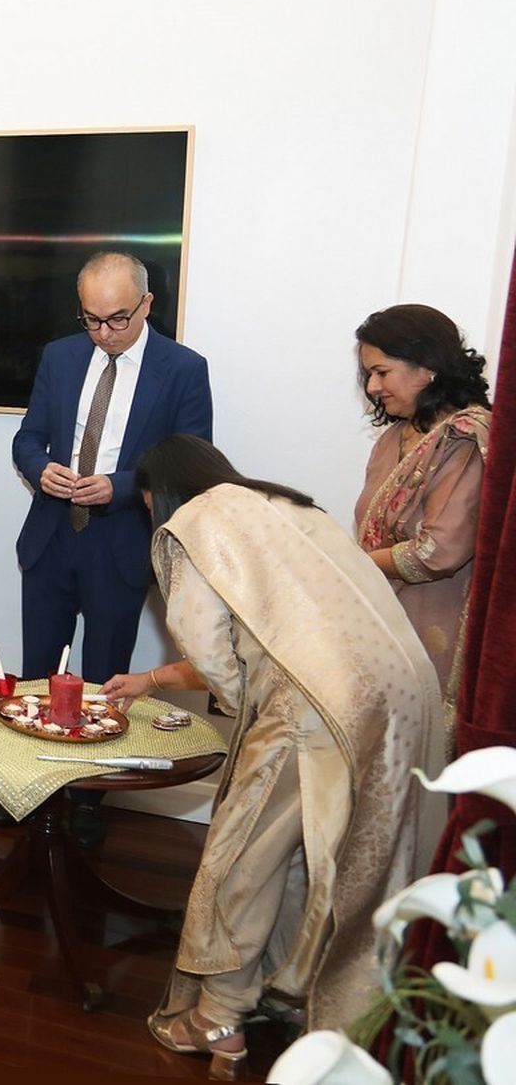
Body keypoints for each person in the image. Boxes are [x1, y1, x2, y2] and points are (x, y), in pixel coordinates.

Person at [99, 435, 435, 1075]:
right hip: (405, 690)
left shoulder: (192, 522)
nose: (152, 517)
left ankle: (218, 1017)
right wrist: (158, 681)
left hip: (311, 705)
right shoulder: (290, 506)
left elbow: (213, 650)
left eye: (148, 506)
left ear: (161, 493)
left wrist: (240, 706)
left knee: (243, 851)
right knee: (341, 854)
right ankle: (302, 992)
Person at [8, 250, 213, 845]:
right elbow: (28, 436)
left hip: (120, 545)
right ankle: (30, 786)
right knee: (38, 677)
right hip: (50, 536)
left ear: (147, 304)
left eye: (118, 319)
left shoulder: (183, 369)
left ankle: (91, 797)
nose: (104, 333)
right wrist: (40, 467)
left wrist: (121, 487)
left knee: (104, 682)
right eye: (91, 320)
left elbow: (190, 464)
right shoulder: (61, 355)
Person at [354, 303, 491, 730]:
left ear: (427, 367)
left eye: (382, 372)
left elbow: (436, 551)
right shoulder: (395, 436)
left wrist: (346, 563)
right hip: (383, 622)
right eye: (368, 375)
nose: (373, 387)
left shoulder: (463, 438)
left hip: (436, 624)